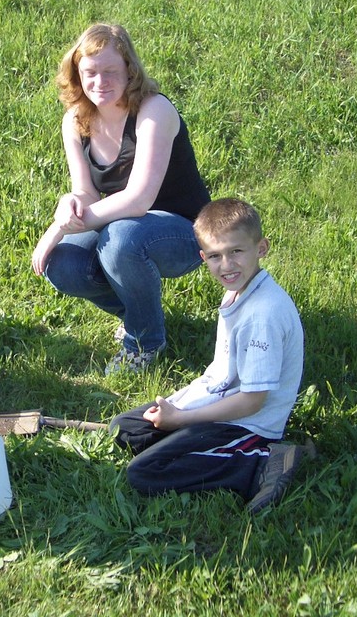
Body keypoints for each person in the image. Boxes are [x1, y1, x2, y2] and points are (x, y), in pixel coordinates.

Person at [32, 23, 211, 375]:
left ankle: (145, 342)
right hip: (124, 226)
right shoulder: (75, 120)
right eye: (90, 72)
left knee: (120, 240)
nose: (99, 82)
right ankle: (140, 315)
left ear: (130, 70)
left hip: (186, 233)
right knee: (62, 262)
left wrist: (58, 228)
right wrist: (69, 203)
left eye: (110, 71)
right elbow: (86, 192)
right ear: (77, 74)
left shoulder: (154, 110)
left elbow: (139, 199)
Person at [109, 198, 307, 513]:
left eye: (236, 251)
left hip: (248, 425)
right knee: (124, 428)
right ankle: (194, 445)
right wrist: (179, 410)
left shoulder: (263, 314)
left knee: (144, 473)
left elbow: (253, 401)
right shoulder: (238, 291)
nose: (226, 265)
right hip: (218, 403)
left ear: (261, 248)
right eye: (215, 256)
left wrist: (181, 419)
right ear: (203, 257)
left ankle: (261, 461)